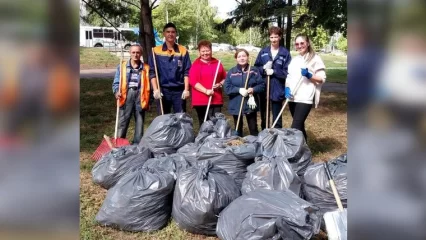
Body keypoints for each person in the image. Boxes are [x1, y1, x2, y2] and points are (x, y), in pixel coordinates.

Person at [284, 33, 326, 141]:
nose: (299, 46)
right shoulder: (295, 60)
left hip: (305, 98)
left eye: (302, 43)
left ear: (307, 43)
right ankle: (305, 148)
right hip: (292, 97)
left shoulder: (315, 59)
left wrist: (309, 75)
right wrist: (287, 87)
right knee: (300, 126)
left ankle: (294, 153)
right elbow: (289, 76)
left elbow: (322, 78)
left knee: (295, 127)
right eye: (297, 44)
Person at [149, 22, 191, 114]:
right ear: (164, 33)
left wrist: (186, 89)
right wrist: (155, 90)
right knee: (163, 119)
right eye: (168, 32)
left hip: (179, 91)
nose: (170, 34)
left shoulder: (183, 51)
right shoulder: (155, 51)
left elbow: (187, 72)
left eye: (173, 32)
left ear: (176, 34)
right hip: (163, 90)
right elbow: (152, 72)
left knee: (180, 119)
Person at [112, 44, 150, 144]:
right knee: (123, 121)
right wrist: (116, 92)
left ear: (141, 54)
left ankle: (137, 145)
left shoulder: (146, 68)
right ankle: (119, 143)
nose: (135, 54)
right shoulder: (122, 66)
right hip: (126, 95)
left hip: (140, 96)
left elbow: (148, 84)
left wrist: (150, 99)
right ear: (129, 53)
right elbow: (116, 82)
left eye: (138, 52)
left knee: (139, 122)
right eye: (133, 52)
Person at [254, 26, 291, 129]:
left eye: (276, 37)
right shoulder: (263, 52)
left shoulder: (285, 53)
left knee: (277, 116)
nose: (273, 39)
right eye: (271, 37)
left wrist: (274, 71)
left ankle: (276, 136)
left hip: (277, 88)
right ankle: (264, 134)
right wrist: (263, 69)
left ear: (280, 37)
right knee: (264, 115)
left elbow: (287, 72)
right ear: (269, 38)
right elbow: (256, 68)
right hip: (264, 87)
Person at [224, 49, 265, 137]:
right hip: (236, 104)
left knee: (253, 127)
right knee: (238, 127)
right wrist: (238, 90)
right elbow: (227, 88)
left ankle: (255, 145)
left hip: (250, 104)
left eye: (244, 56)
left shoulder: (253, 70)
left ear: (247, 57)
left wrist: (253, 89)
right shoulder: (232, 72)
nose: (242, 58)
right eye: (239, 56)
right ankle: (238, 145)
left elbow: (262, 85)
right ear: (236, 59)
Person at [189, 40, 227, 126]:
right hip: (201, 99)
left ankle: (215, 139)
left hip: (216, 98)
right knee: (205, 124)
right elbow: (193, 81)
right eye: (203, 51)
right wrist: (206, 91)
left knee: (216, 123)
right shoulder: (196, 65)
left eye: (207, 50)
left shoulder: (218, 63)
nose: (205, 53)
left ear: (211, 51)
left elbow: (225, 78)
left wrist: (220, 84)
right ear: (199, 52)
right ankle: (205, 139)